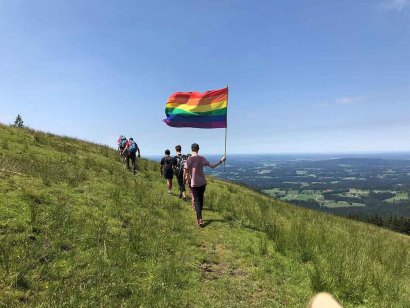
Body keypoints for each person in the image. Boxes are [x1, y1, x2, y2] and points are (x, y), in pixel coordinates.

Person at [184, 143, 226, 227]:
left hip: (194, 183)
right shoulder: (202, 158)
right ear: (198, 149)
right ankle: (200, 216)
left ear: (191, 149)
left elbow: (186, 171)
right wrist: (221, 161)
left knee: (196, 200)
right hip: (202, 182)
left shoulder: (189, 160)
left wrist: (188, 179)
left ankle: (199, 218)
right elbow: (213, 166)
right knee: (201, 199)